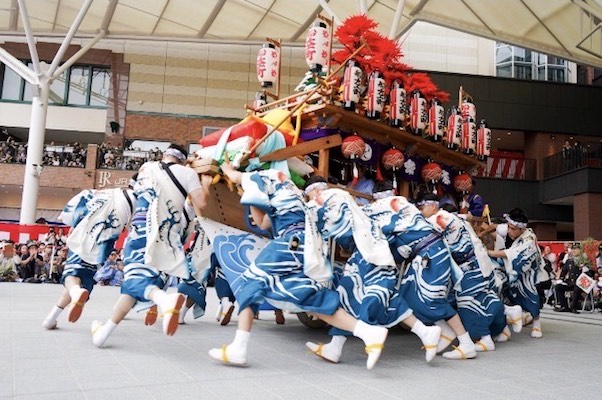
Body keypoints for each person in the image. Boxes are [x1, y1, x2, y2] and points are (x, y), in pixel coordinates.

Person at [208, 164, 389, 370]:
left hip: (290, 241)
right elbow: (263, 223)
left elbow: (235, 176)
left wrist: (228, 166)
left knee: (250, 281)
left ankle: (238, 349)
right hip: (306, 246)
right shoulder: (291, 194)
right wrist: (253, 200)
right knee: (308, 297)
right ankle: (368, 332)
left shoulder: (265, 176)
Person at [303, 177, 442, 364]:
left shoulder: (330, 199)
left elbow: (338, 230)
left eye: (309, 194)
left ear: (315, 190)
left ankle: (369, 340)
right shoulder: (348, 202)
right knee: (370, 296)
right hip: (370, 252)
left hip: (369, 254)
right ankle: (424, 332)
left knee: (362, 297)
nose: (309, 199)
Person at [91, 144, 213, 347]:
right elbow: (201, 204)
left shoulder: (147, 167)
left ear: (165, 154)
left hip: (140, 232)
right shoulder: (187, 173)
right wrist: (205, 183)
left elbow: (134, 194)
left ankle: (165, 302)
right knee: (135, 286)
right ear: (183, 159)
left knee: (135, 278)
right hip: (167, 237)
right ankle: (104, 333)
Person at [361, 193, 478, 359]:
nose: (421, 209)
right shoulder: (404, 211)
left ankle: (466, 343)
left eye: (424, 206)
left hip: (432, 256)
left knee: (433, 299)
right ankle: (445, 332)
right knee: (410, 297)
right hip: (425, 256)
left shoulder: (394, 209)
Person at [417, 194, 517, 352]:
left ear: (434, 206)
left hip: (470, 265)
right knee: (484, 297)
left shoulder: (440, 218)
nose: (420, 211)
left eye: (422, 207)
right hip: (478, 262)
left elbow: (418, 232)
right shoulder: (456, 218)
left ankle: (483, 338)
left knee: (467, 302)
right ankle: (503, 321)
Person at [41, 178, 137, 330]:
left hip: (84, 235)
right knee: (84, 278)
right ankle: (51, 318)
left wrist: (73, 222)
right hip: (103, 245)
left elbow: (78, 205)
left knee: (71, 274)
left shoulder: (106, 192)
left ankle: (73, 295)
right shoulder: (139, 203)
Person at [487, 208, 544, 338]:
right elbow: (493, 226)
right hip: (508, 267)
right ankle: (505, 326)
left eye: (513, 229)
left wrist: (490, 253)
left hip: (526, 272)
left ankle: (536, 323)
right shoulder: (506, 229)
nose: (510, 231)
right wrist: (481, 234)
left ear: (522, 229)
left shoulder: (529, 238)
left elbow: (514, 254)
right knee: (500, 288)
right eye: (509, 227)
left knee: (529, 294)